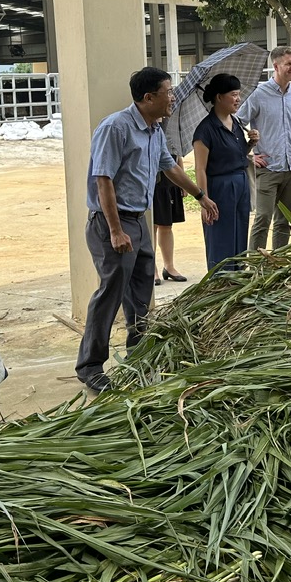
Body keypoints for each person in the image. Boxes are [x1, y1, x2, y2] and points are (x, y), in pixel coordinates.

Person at [76, 67, 218, 393]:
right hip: (112, 223)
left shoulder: (155, 129)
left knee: (140, 295)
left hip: (138, 221)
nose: (173, 97)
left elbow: (169, 166)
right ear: (148, 97)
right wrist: (115, 231)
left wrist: (200, 196)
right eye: (168, 92)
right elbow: (103, 180)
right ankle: (90, 366)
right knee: (110, 294)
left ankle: (138, 355)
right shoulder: (116, 128)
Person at [238, 45, 291, 251]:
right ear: (276, 66)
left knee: (284, 219)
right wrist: (250, 154)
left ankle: (278, 262)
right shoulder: (259, 94)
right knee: (263, 218)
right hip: (268, 167)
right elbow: (237, 121)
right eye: (288, 64)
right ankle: (256, 265)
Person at [193, 74, 252, 271]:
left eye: (239, 94)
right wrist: (204, 200)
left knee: (239, 233)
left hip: (241, 184)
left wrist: (251, 143)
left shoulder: (235, 123)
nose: (238, 99)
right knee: (221, 236)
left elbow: (237, 155)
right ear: (219, 97)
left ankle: (237, 279)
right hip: (220, 188)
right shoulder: (205, 130)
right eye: (234, 95)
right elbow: (200, 168)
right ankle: (220, 282)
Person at [151, 158, 188, 284]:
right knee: (152, 226)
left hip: (170, 180)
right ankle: (152, 269)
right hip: (152, 181)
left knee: (167, 225)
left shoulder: (173, 138)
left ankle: (169, 266)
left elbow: (177, 156)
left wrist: (183, 182)